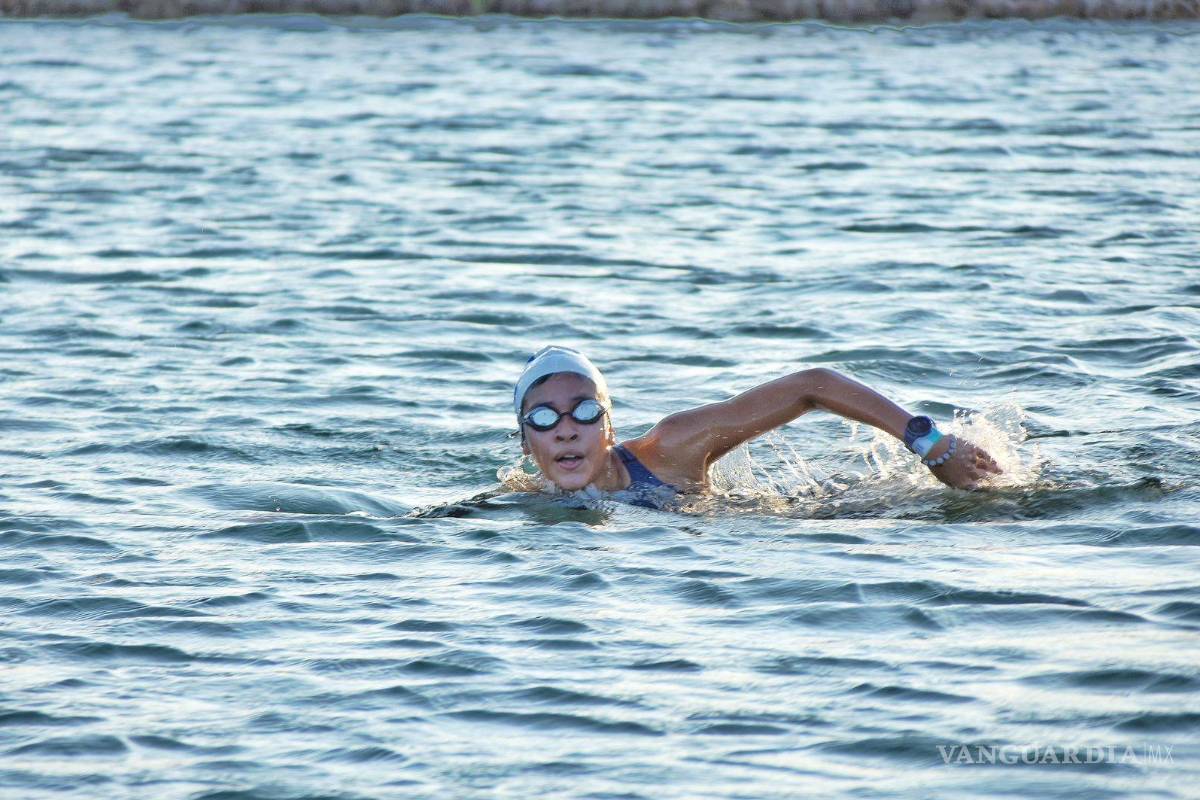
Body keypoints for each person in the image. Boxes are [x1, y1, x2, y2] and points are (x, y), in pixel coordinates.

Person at [513, 345, 1002, 506]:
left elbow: (812, 384)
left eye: (584, 411)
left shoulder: (671, 449)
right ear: (525, 440)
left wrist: (932, 444)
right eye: (542, 417)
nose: (565, 429)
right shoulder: (520, 505)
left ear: (609, 427)